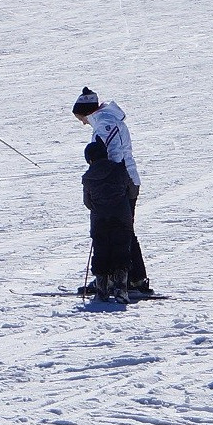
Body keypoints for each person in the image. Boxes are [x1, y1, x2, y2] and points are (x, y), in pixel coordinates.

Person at [73, 87, 150, 293]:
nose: (82, 122)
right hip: (120, 182)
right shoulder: (105, 121)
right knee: (123, 229)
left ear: (87, 111)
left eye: (81, 118)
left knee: (118, 231)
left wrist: (101, 181)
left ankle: (123, 279)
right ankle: (131, 278)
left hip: (119, 183)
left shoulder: (105, 124)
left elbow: (113, 156)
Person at [82, 138, 135, 304]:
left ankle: (102, 290)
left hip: (99, 221)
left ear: (89, 159)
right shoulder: (119, 169)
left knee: (101, 253)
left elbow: (88, 202)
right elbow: (131, 190)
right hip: (122, 218)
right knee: (121, 251)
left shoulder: (88, 177)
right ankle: (121, 289)